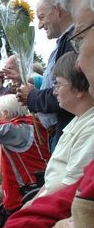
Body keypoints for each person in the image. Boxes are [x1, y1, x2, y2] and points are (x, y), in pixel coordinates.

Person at [24, 52, 93, 206]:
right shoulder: (76, 121)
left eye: (58, 84)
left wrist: (33, 207)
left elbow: (72, 186)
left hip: (59, 209)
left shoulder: (90, 129)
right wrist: (32, 203)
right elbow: (51, 181)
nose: (54, 91)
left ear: (79, 89)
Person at [17, 0, 75, 152]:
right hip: (60, 132)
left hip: (68, 131)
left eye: (41, 17)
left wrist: (32, 97)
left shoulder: (73, 41)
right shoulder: (64, 43)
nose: (40, 25)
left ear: (57, 10)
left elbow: (69, 91)